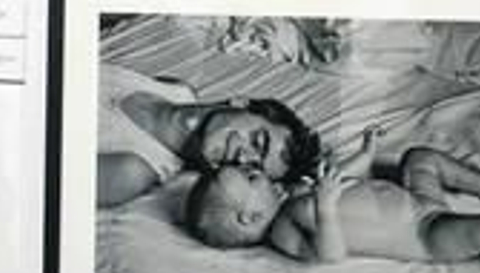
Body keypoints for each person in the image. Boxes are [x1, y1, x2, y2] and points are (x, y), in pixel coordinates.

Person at [185, 116, 480, 273]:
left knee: (417, 157)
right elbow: (328, 256)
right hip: (425, 233)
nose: (254, 167)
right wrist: (328, 208)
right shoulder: (282, 228)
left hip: (415, 198)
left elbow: (345, 177)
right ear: (248, 218)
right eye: (251, 176)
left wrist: (365, 154)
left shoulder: (292, 194)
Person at [96, 60, 320, 207]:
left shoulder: (132, 172)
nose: (242, 158)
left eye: (251, 168)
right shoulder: (178, 88)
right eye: (257, 142)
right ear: (240, 103)